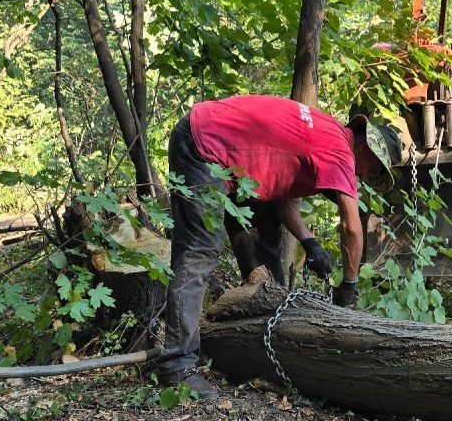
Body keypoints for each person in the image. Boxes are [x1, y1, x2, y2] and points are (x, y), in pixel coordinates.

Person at [156, 94, 401, 396]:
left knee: (265, 227)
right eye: (373, 169)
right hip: (202, 146)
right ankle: (177, 364)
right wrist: (348, 284)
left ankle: (262, 338)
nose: (365, 177)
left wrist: (309, 242)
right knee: (200, 248)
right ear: (365, 148)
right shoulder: (341, 152)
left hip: (224, 155)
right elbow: (351, 228)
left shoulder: (326, 134)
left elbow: (282, 195)